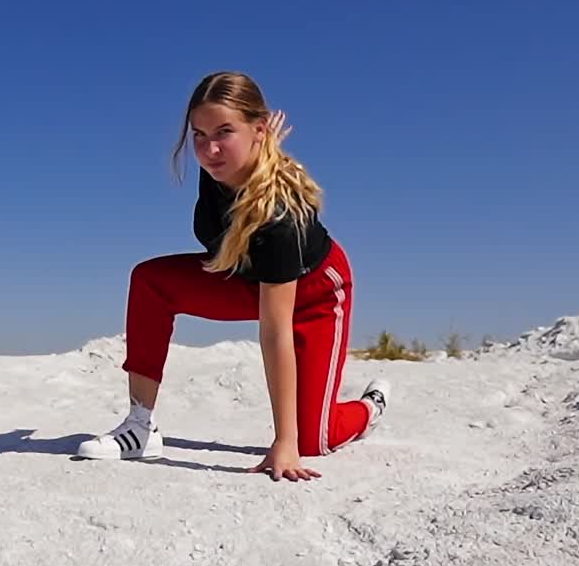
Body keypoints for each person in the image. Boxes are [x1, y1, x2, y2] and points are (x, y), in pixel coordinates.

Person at [78, 72, 389, 481]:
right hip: (243, 279)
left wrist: (284, 442)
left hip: (315, 295)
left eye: (224, 132)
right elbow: (242, 154)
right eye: (199, 134)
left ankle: (371, 405)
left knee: (315, 440)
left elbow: (275, 332)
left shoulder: (281, 218)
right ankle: (139, 426)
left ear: (257, 131)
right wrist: (253, 137)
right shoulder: (219, 166)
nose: (209, 149)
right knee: (150, 280)